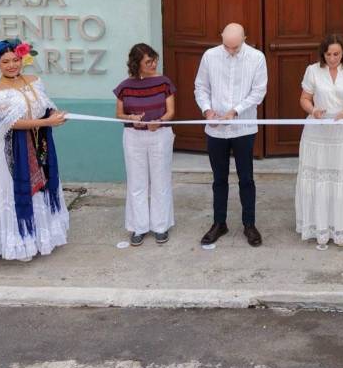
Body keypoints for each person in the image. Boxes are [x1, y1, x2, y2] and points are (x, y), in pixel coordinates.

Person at [0, 39, 69, 261]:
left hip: (39, 143)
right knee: (18, 191)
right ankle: (22, 242)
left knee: (42, 188)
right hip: (13, 152)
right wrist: (45, 123)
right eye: (5, 61)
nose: (12, 65)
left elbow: (44, 107)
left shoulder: (34, 81)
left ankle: (44, 237)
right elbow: (12, 123)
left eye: (15, 59)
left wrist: (54, 115)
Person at [194, 22, 268, 247]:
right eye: (227, 47)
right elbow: (201, 87)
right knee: (219, 179)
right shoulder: (210, 56)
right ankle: (219, 222)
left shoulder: (257, 58)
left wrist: (235, 111)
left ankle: (249, 224)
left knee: (246, 178)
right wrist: (207, 110)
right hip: (216, 130)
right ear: (222, 38)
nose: (231, 51)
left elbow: (258, 92)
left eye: (236, 47)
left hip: (243, 127)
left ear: (245, 38)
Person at [295, 35, 343, 247]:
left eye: (336, 54)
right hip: (318, 132)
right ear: (323, 54)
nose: (332, 58)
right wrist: (313, 110)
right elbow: (304, 99)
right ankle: (319, 226)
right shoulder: (312, 70)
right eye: (328, 54)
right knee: (320, 177)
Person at [113, 43, 177, 247]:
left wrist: (159, 121)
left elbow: (170, 112)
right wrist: (132, 117)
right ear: (136, 64)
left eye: (154, 59)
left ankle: (161, 226)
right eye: (148, 61)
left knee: (161, 180)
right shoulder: (125, 86)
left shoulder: (164, 82)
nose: (153, 63)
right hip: (133, 136)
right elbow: (119, 114)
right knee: (136, 182)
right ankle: (138, 227)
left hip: (160, 135)